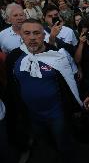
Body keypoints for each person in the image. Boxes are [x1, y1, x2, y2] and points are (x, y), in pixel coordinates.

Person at [5, 19, 82, 163]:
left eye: (36, 33)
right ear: (21, 35)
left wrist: (75, 107)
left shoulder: (57, 55)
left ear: (43, 35)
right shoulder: (14, 58)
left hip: (57, 115)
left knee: (63, 144)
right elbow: (11, 88)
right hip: (32, 116)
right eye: (27, 33)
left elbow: (70, 83)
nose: (32, 37)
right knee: (44, 144)